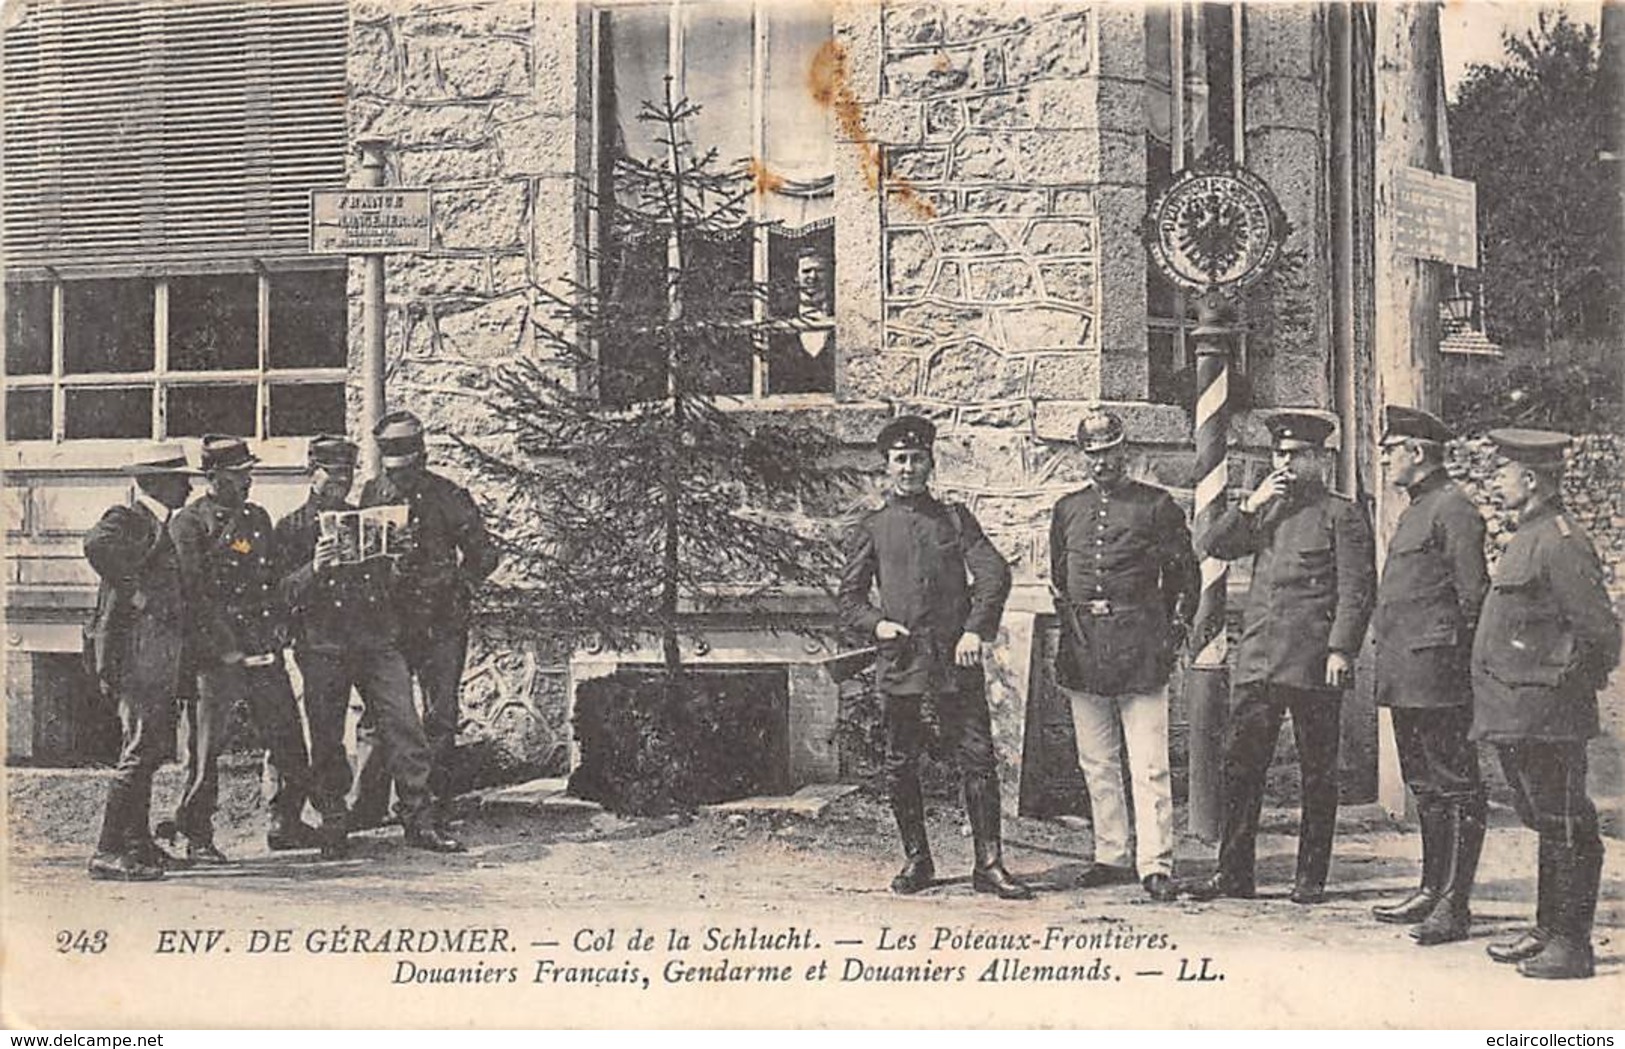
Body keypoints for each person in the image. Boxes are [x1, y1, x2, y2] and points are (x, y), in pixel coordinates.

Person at [838, 415, 1032, 900]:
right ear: (887, 467)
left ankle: (988, 865)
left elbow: (994, 574)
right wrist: (877, 624)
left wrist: (974, 630)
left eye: (917, 459)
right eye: (900, 460)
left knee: (977, 758)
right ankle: (917, 860)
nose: (909, 468)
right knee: (901, 763)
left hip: (954, 662)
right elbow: (849, 599)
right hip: (901, 662)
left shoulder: (954, 519)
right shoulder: (874, 527)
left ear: (930, 463)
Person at [1187, 410, 1375, 904]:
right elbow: (1214, 545)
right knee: (1241, 767)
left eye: (1294, 456)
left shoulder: (1342, 514)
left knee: (1318, 772)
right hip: (1259, 660)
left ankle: (1310, 877)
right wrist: (1250, 504)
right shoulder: (1267, 508)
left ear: (1319, 459)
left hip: (1314, 663)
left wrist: (1342, 648)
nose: (1284, 464)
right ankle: (1234, 874)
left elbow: (1357, 590)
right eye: (1278, 454)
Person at [1470, 428, 1619, 980]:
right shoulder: (1529, 535)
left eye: (1503, 472)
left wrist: (1560, 687)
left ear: (1530, 480)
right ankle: (1548, 928)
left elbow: (1599, 633)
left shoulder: (1560, 540)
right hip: (1520, 712)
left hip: (1548, 714)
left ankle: (1573, 945)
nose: (1496, 480)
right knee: (1543, 819)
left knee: (1566, 823)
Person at [273, 437, 466, 856]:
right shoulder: (291, 528)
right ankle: (334, 821)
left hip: (376, 641)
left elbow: (390, 584)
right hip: (323, 646)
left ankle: (418, 817)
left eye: (347, 475)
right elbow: (278, 594)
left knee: (404, 725)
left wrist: (398, 557)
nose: (341, 484)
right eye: (333, 475)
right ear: (313, 473)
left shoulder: (368, 519)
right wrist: (314, 568)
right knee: (326, 737)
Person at [1048, 408, 1198, 902]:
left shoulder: (1156, 506)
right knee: (1096, 760)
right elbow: (1058, 577)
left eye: (1109, 452)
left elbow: (1184, 576)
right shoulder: (1067, 510)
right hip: (1085, 647)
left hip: (1140, 646)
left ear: (1125, 451)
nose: (1101, 463)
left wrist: (1173, 633)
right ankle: (1110, 854)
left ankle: (1155, 863)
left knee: (1150, 763)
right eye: (1092, 454)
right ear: (1082, 457)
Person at [1368, 406, 1489, 944]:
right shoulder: (1419, 507)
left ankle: (1454, 905)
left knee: (1457, 787)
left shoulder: (1453, 508)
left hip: (1439, 675)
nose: (1388, 457)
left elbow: (1472, 598)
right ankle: (1430, 888)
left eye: (1393, 449)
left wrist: (1460, 669)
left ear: (1417, 453)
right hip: (1408, 672)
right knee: (1426, 787)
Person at [167, 435, 318, 863]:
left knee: (287, 736)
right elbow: (193, 598)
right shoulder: (189, 524)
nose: (248, 481)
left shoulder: (257, 518)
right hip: (217, 655)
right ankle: (197, 835)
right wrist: (224, 648)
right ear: (213, 477)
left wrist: (276, 630)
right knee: (206, 749)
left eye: (249, 473)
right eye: (239, 475)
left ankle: (285, 822)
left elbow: (270, 586)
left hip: (262, 646)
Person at [350, 410, 497, 830]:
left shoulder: (448, 497)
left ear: (423, 457)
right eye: (394, 470)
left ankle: (430, 803)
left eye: (409, 469)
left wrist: (461, 586)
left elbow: (484, 555)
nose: (401, 480)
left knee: (439, 716)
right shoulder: (371, 496)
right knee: (379, 714)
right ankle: (368, 804)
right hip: (389, 625)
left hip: (441, 626)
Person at [84, 445, 200, 881]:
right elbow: (96, 544)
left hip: (159, 658)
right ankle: (107, 850)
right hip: (134, 658)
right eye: (180, 479)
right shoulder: (129, 518)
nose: (188, 486)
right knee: (138, 751)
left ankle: (137, 844)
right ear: (154, 483)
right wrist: (134, 591)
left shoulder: (160, 524)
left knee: (149, 750)